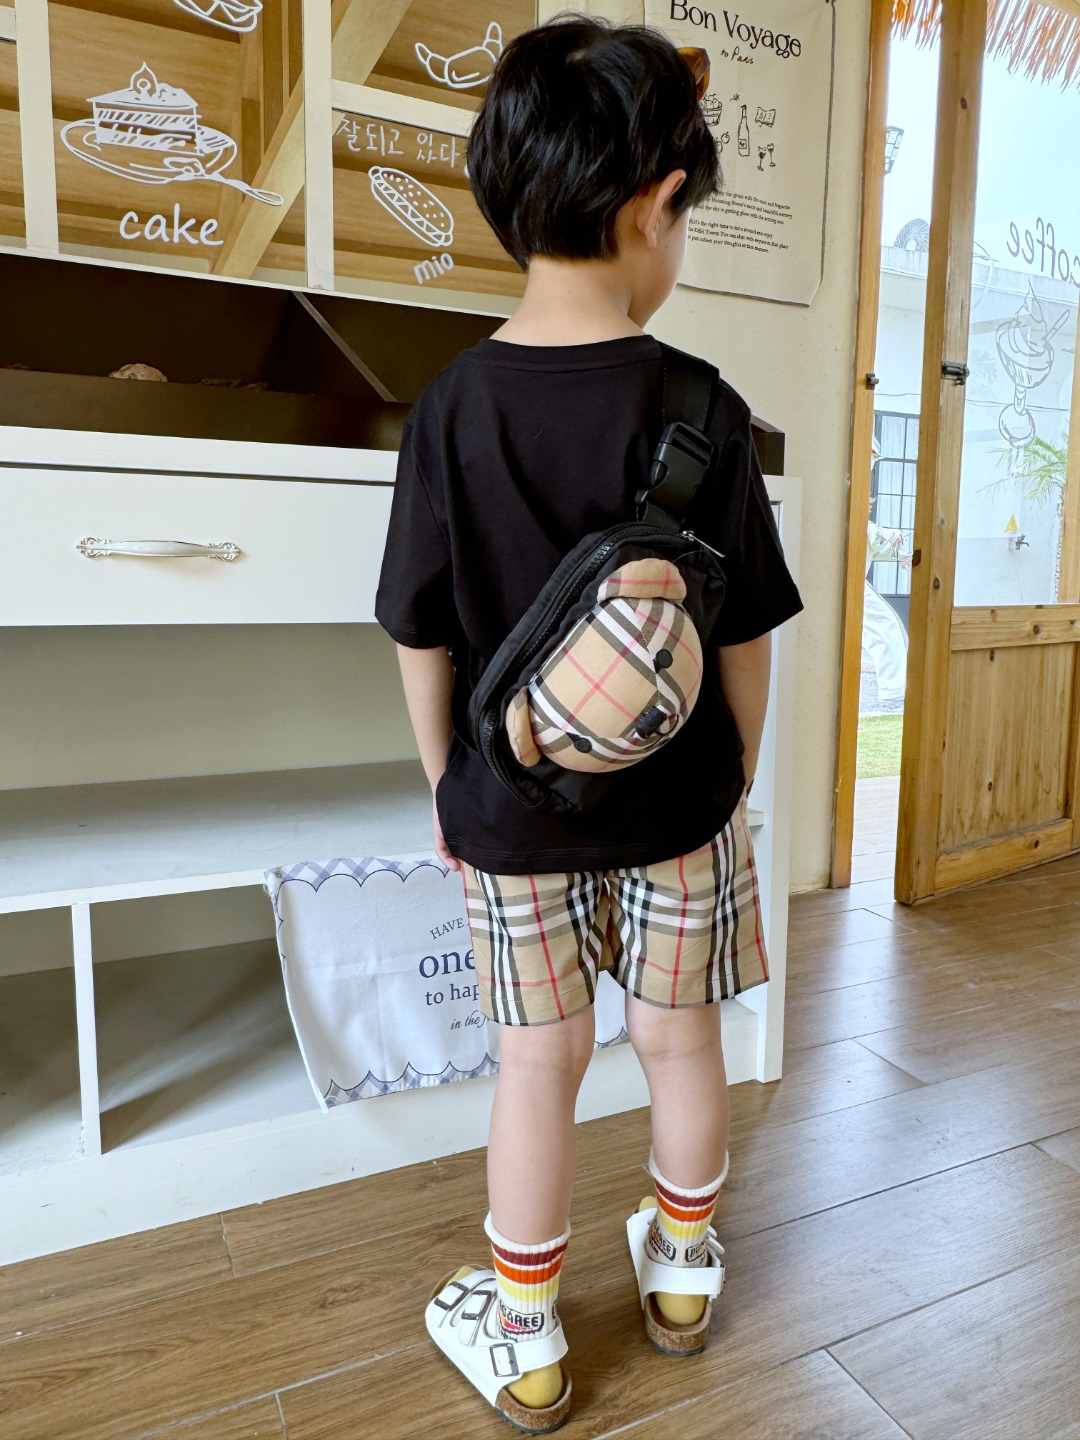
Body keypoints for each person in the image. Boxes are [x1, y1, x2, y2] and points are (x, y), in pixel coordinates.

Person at [374, 16, 803, 1433]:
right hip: (682, 815)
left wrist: (451, 791)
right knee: (682, 1043)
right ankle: (679, 1281)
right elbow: (744, 636)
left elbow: (421, 633)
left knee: (537, 1066)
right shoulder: (707, 410)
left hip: (513, 817)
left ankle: (530, 1339)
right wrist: (728, 782)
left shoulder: (450, 410)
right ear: (657, 204)